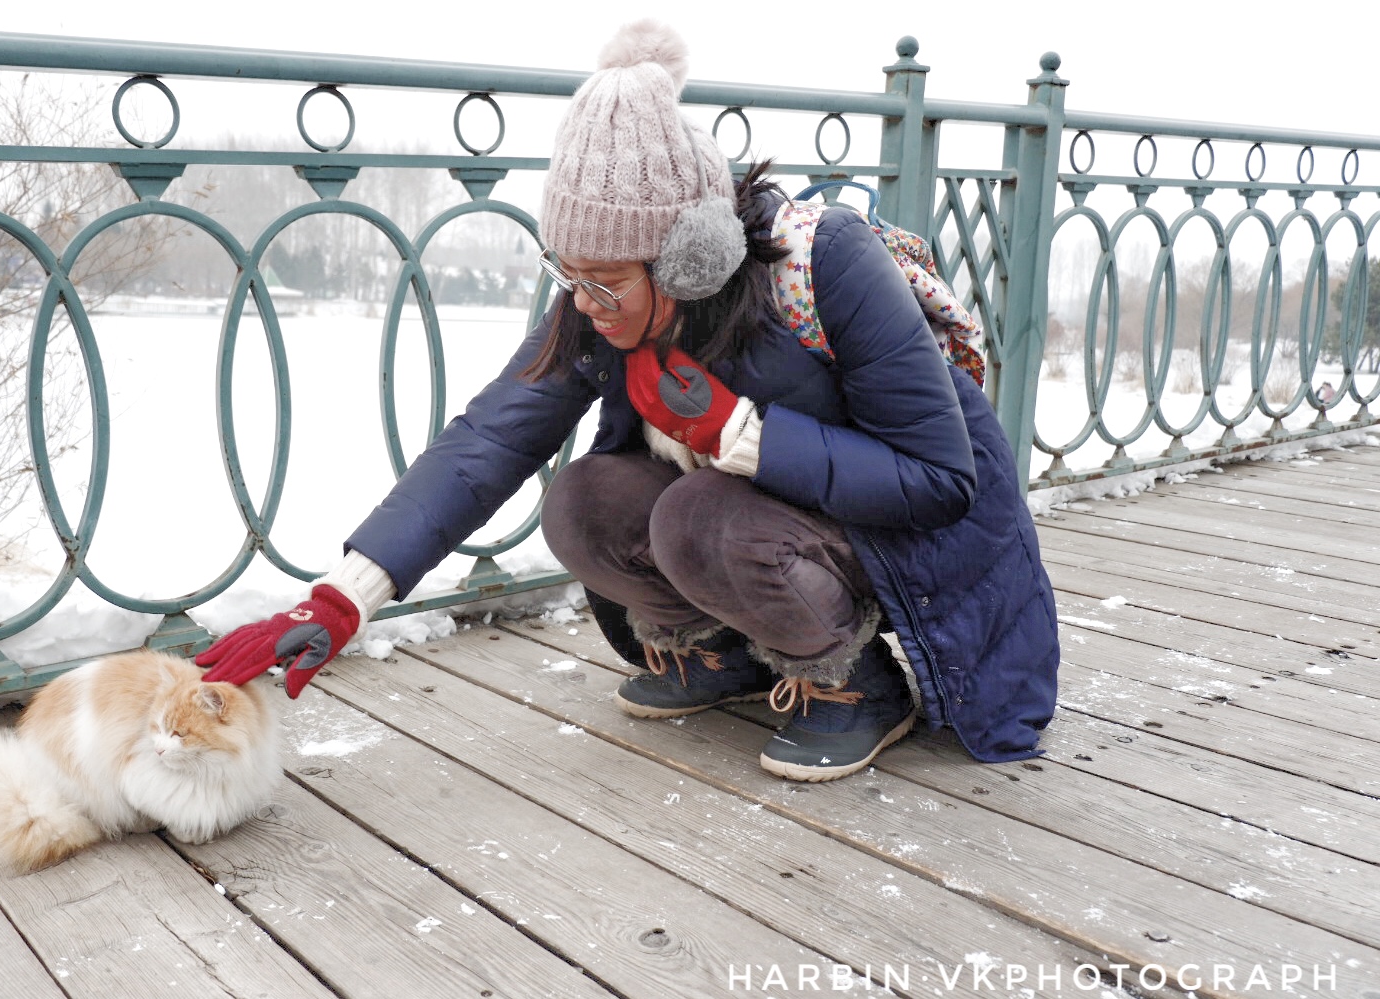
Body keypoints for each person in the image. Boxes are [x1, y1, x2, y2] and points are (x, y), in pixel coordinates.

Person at [200, 20, 1061, 781]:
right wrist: (347, 594)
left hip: (907, 533)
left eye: (602, 281)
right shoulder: (603, 300)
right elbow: (492, 435)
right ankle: (728, 654)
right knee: (582, 501)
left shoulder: (827, 264)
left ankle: (854, 680)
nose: (581, 302)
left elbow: (941, 478)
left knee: (698, 513)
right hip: (769, 516)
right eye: (565, 275)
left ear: (688, 256)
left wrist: (744, 433)